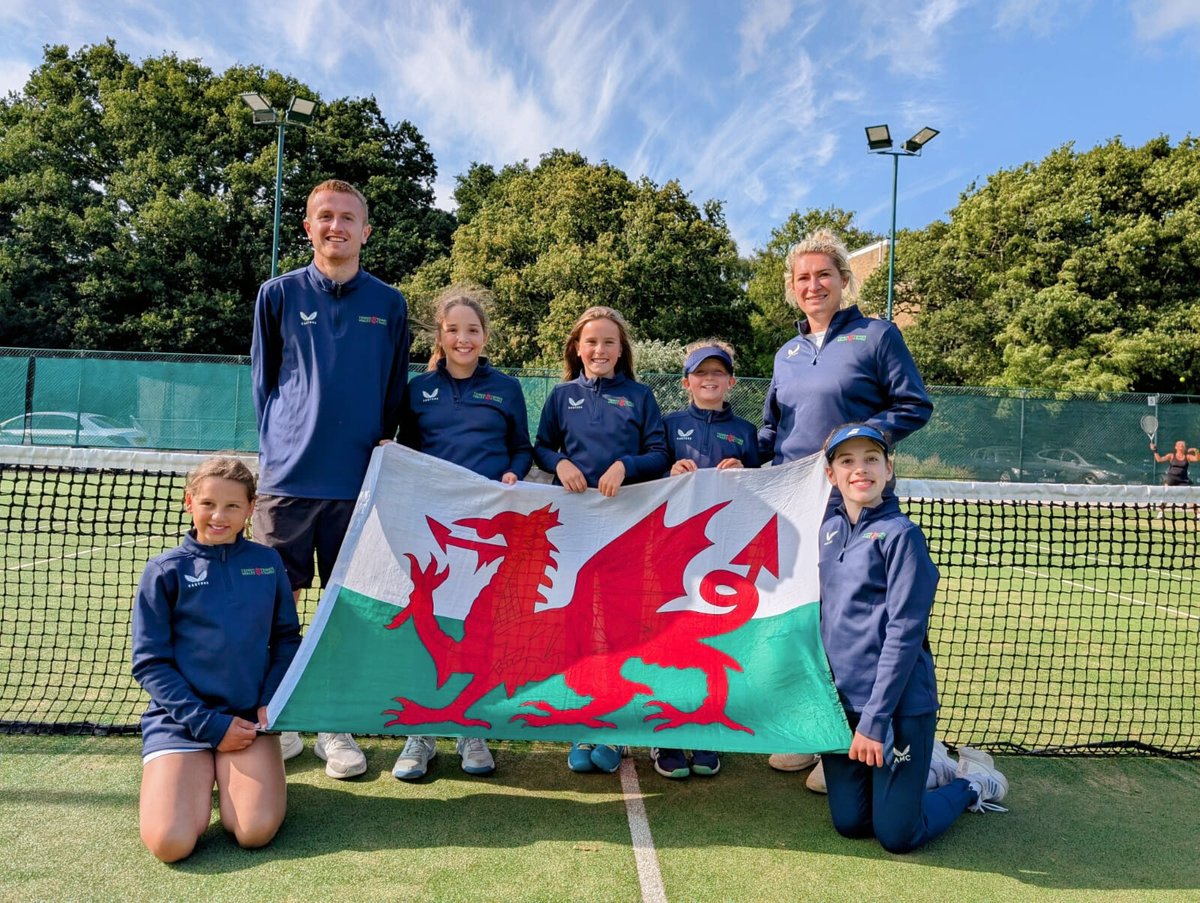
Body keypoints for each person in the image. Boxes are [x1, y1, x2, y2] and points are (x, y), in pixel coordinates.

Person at [759, 228, 933, 791]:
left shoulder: (878, 336)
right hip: (797, 509)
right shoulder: (785, 355)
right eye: (803, 278)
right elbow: (771, 428)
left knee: (870, 618)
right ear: (792, 287)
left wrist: (855, 441)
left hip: (859, 504)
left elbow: (914, 404)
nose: (814, 285)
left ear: (843, 280)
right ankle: (814, 737)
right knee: (808, 618)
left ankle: (878, 739)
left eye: (824, 275)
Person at [251, 179, 411, 780]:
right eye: (325, 217)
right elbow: (265, 385)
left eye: (347, 218)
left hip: (360, 485)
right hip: (287, 482)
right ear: (308, 226)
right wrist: (283, 451)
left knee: (343, 607)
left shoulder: (390, 305)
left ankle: (333, 726)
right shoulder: (277, 294)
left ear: (365, 231)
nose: (336, 226)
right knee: (277, 606)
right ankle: (282, 715)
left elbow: (393, 391)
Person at [817, 423, 1008, 853]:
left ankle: (972, 783)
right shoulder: (828, 532)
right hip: (840, 707)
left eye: (871, 459)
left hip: (897, 709)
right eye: (846, 461)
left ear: (888, 468)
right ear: (831, 475)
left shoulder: (902, 536)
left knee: (898, 836)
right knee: (850, 823)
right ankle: (931, 765)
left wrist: (874, 720)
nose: (859, 470)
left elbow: (904, 634)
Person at [391, 284, 533, 781]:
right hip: (431, 532)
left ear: (485, 336)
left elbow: (522, 448)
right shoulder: (417, 389)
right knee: (428, 623)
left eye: (472, 330)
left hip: (486, 539)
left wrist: (514, 474)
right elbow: (405, 452)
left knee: (482, 628)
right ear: (441, 335)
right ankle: (421, 734)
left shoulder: (507, 389)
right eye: (453, 330)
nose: (463, 339)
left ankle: (472, 728)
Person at [132, 457, 301, 862]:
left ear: (250, 508)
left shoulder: (267, 563)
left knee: (253, 831)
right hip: (183, 722)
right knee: (170, 844)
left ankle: (235, 775)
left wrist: (268, 700)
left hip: (247, 721)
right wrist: (208, 724)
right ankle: (192, 773)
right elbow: (150, 662)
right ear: (190, 503)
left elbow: (286, 640)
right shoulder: (165, 570)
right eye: (208, 504)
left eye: (232, 506)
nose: (219, 516)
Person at [533, 306, 669, 773]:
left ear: (621, 349)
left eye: (609, 342)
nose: (599, 350)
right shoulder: (560, 395)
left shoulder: (640, 396)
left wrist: (624, 467)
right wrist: (559, 464)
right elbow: (542, 446)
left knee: (616, 628)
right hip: (572, 530)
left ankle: (613, 727)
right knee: (575, 626)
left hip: (625, 531)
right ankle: (579, 725)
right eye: (591, 342)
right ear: (577, 347)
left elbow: (659, 453)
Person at [652, 338, 760, 779]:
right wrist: (668, 471)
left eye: (718, 373)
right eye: (701, 373)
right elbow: (651, 475)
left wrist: (746, 474)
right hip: (671, 555)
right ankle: (667, 739)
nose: (709, 380)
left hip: (723, 557)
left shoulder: (747, 432)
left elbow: (763, 490)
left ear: (731, 381)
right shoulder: (668, 423)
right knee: (669, 641)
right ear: (686, 382)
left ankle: (706, 732)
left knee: (713, 645)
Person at [1151, 438, 1200, 520]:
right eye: (1179, 444)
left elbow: (1197, 458)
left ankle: (1198, 515)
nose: (1181, 445)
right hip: (1171, 479)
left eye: (1183, 445)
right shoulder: (1171, 456)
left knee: (1190, 498)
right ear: (1176, 447)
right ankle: (1161, 512)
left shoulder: (1187, 457)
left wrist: (1196, 450)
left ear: (1184, 448)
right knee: (1165, 495)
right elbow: (1159, 460)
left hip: (1183, 480)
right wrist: (1155, 451)